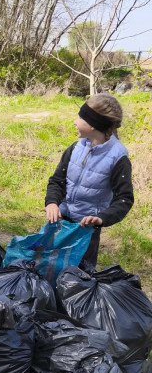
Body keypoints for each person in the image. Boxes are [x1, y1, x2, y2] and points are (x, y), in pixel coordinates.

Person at [45, 93, 134, 267]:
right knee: (49, 268)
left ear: (94, 124)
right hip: (60, 221)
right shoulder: (75, 148)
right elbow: (57, 181)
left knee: (79, 279)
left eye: (80, 117)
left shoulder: (118, 158)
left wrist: (101, 218)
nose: (75, 122)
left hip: (86, 232)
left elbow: (124, 199)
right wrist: (52, 203)